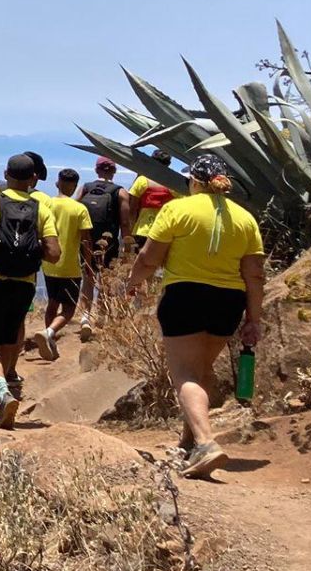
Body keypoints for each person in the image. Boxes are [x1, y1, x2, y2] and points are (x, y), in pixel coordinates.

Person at [124, 152, 266, 479]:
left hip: (185, 296)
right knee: (200, 372)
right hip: (229, 303)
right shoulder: (246, 219)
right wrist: (253, 319)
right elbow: (255, 275)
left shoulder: (177, 210)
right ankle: (187, 446)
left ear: (194, 182)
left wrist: (132, 283)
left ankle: (206, 443)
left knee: (185, 375)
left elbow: (149, 257)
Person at [0, 153, 61, 428]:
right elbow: (54, 253)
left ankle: (2, 389)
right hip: (25, 283)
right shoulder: (40, 206)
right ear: (33, 179)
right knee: (9, 340)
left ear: (6, 174)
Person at [40, 167, 92, 358]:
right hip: (70, 266)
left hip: (48, 264)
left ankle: (50, 342)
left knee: (52, 303)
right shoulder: (80, 209)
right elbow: (86, 240)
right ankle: (49, 333)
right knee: (69, 309)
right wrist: (88, 263)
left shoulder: (47, 205)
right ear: (75, 186)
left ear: (57, 183)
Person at [77, 157, 126, 325]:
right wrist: (127, 244)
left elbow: (76, 210)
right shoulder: (120, 192)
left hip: (87, 241)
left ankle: (85, 317)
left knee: (88, 277)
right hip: (109, 242)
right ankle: (102, 316)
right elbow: (125, 222)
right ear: (114, 171)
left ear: (96, 170)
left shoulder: (85, 188)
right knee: (106, 278)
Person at [127, 148, 179, 252]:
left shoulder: (142, 180)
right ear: (168, 163)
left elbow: (132, 209)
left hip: (143, 231)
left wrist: (130, 231)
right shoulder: (175, 184)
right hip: (165, 231)